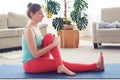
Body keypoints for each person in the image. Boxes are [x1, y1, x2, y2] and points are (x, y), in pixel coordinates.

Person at [22, 2, 104, 76]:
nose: (43, 15)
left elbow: (43, 44)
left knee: (50, 36)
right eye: (40, 13)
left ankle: (60, 66)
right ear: (32, 14)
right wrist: (53, 45)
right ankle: (96, 66)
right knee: (61, 63)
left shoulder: (36, 27)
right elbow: (35, 54)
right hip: (30, 63)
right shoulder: (29, 30)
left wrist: (52, 40)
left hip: (39, 58)